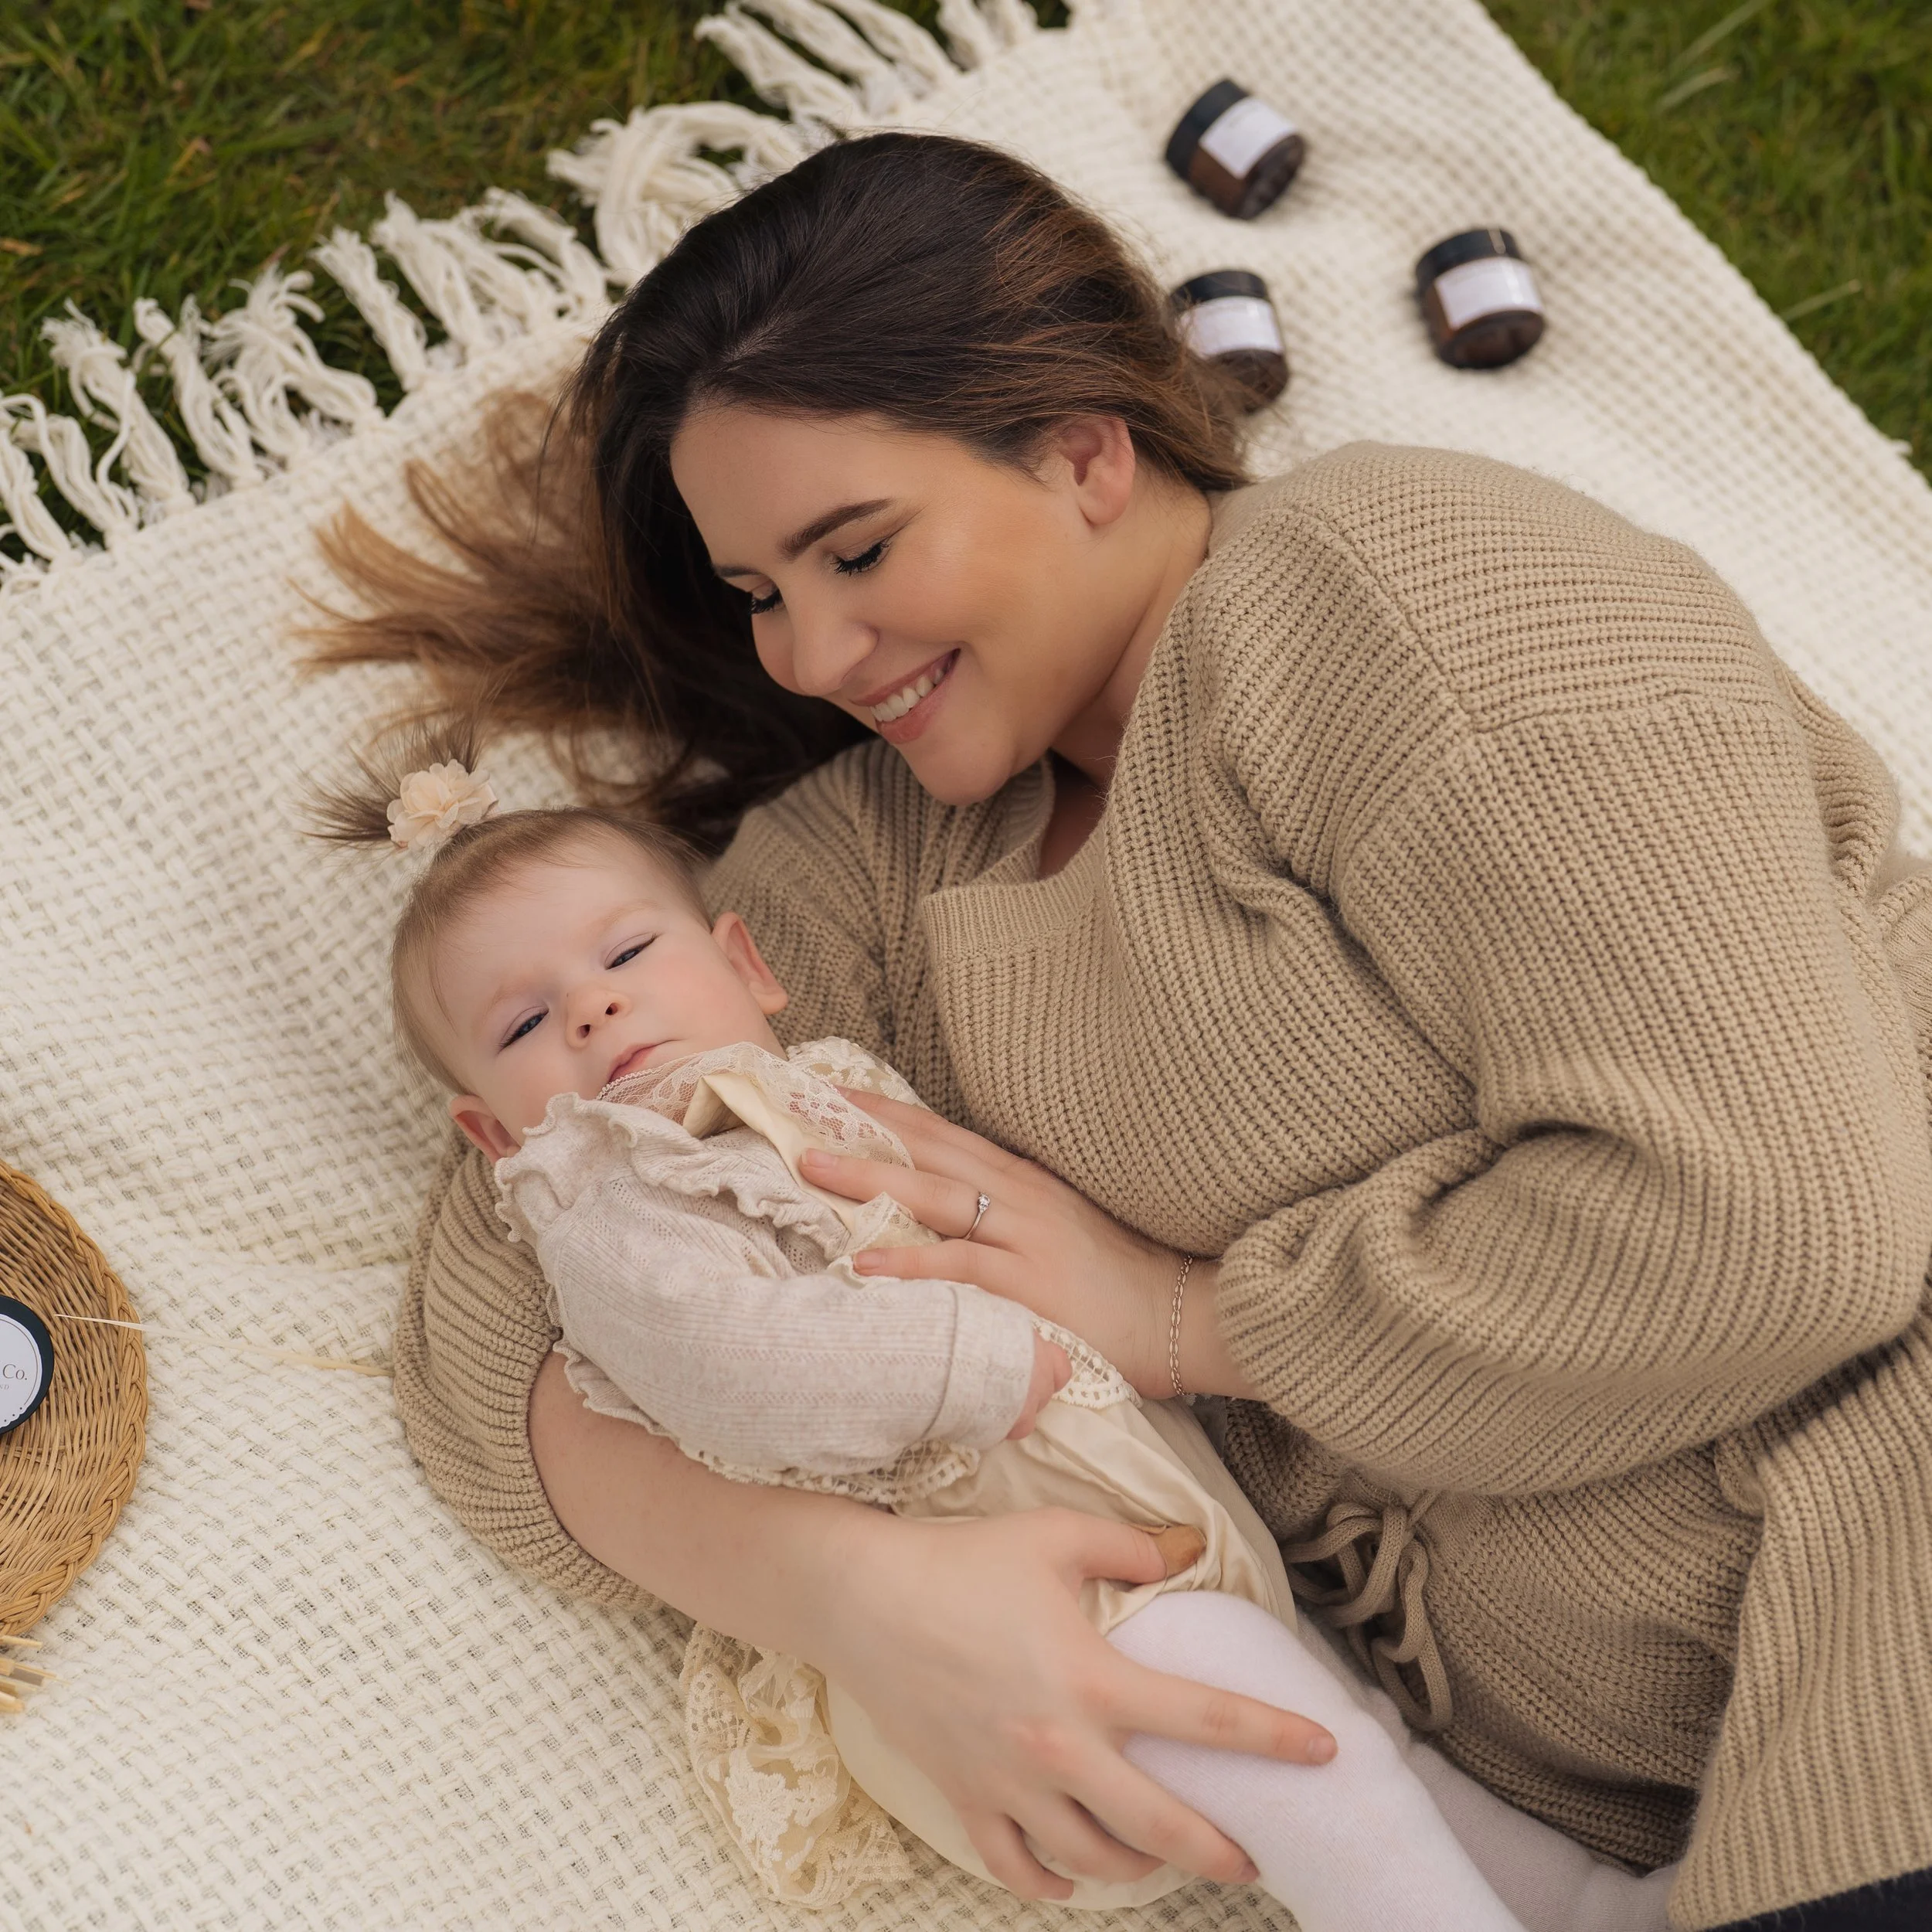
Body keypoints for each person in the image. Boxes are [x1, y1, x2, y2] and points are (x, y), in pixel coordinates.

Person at [315, 131, 1932, 1930]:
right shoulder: (875, 864)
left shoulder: (1394, 601)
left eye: (856, 549)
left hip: (1880, 1570)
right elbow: (502, 1316)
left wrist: (1177, 1315)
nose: (810, 651)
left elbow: (1784, 1220)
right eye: (760, 594)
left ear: (1085, 449)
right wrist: (851, 1596)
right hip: (1592, 1808)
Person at [318, 754, 1676, 1927]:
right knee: (1304, 1749)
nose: (594, 1011)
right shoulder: (614, 1211)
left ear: (748, 967)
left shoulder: (830, 1090)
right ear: (495, 1137)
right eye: (523, 1023)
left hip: (1141, 1531)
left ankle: (1588, 1908)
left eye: (624, 956)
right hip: (995, 1622)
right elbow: (740, 1373)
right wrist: (980, 1360)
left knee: (1361, 1737)